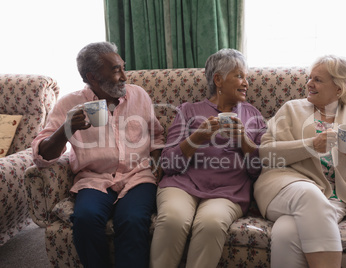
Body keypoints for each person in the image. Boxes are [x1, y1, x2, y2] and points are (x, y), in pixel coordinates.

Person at [32, 42, 165, 268]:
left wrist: (159, 169)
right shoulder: (69, 104)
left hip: (137, 176)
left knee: (132, 220)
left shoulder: (139, 96)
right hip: (94, 179)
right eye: (116, 70)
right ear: (92, 77)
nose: (124, 76)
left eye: (123, 67)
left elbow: (157, 137)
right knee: (85, 219)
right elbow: (41, 157)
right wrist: (66, 129)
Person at [254, 55, 346, 268]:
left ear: (339, 89)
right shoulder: (291, 110)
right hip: (284, 187)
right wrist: (311, 145)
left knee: (286, 233)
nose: (309, 84)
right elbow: (266, 154)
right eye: (309, 78)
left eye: (318, 80)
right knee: (308, 193)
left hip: (333, 199)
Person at [149, 48, 267, 268]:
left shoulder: (253, 115)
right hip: (181, 184)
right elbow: (168, 163)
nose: (246, 83)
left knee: (211, 223)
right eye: (240, 76)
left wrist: (244, 140)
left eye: (246, 77)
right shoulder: (188, 111)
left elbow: (257, 170)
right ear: (218, 80)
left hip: (228, 191)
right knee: (173, 220)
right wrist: (197, 137)